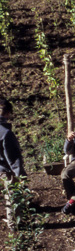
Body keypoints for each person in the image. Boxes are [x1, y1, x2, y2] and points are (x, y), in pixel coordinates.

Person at [0, 98, 26, 229]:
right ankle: (14, 224)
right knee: (12, 196)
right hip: (6, 170)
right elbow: (13, 157)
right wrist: (20, 175)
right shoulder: (6, 133)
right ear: (7, 114)